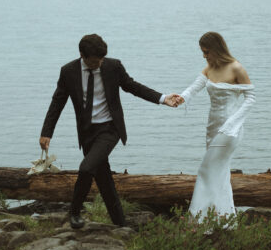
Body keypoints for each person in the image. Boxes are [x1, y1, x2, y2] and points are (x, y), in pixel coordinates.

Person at [40, 33, 180, 229]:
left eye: (102, 59)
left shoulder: (113, 66)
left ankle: (74, 213)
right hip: (87, 131)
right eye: (96, 61)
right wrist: (47, 132)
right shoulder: (68, 71)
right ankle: (120, 224)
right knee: (104, 180)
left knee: (87, 168)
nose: (100, 64)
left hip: (109, 129)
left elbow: (132, 86)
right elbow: (57, 102)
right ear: (83, 55)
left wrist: (162, 98)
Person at [175, 32, 255, 217]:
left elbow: (250, 99)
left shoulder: (237, 68)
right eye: (203, 52)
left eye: (206, 51)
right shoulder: (209, 68)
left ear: (217, 49)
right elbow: (194, 88)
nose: (204, 55)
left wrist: (233, 122)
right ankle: (223, 218)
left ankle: (198, 219)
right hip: (212, 127)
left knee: (207, 168)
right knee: (219, 172)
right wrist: (181, 98)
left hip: (230, 129)